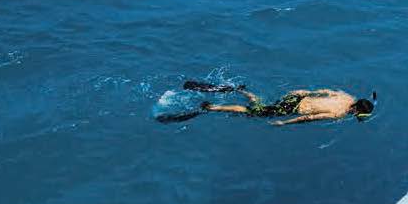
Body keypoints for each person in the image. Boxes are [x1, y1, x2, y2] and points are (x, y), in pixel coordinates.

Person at [156, 82, 375, 125]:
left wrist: (306, 92)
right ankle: (211, 107)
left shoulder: (346, 96)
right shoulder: (339, 114)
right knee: (253, 112)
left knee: (262, 105)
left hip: (296, 96)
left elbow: (326, 90)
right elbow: (310, 118)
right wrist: (286, 124)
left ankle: (242, 90)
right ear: (356, 110)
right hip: (292, 108)